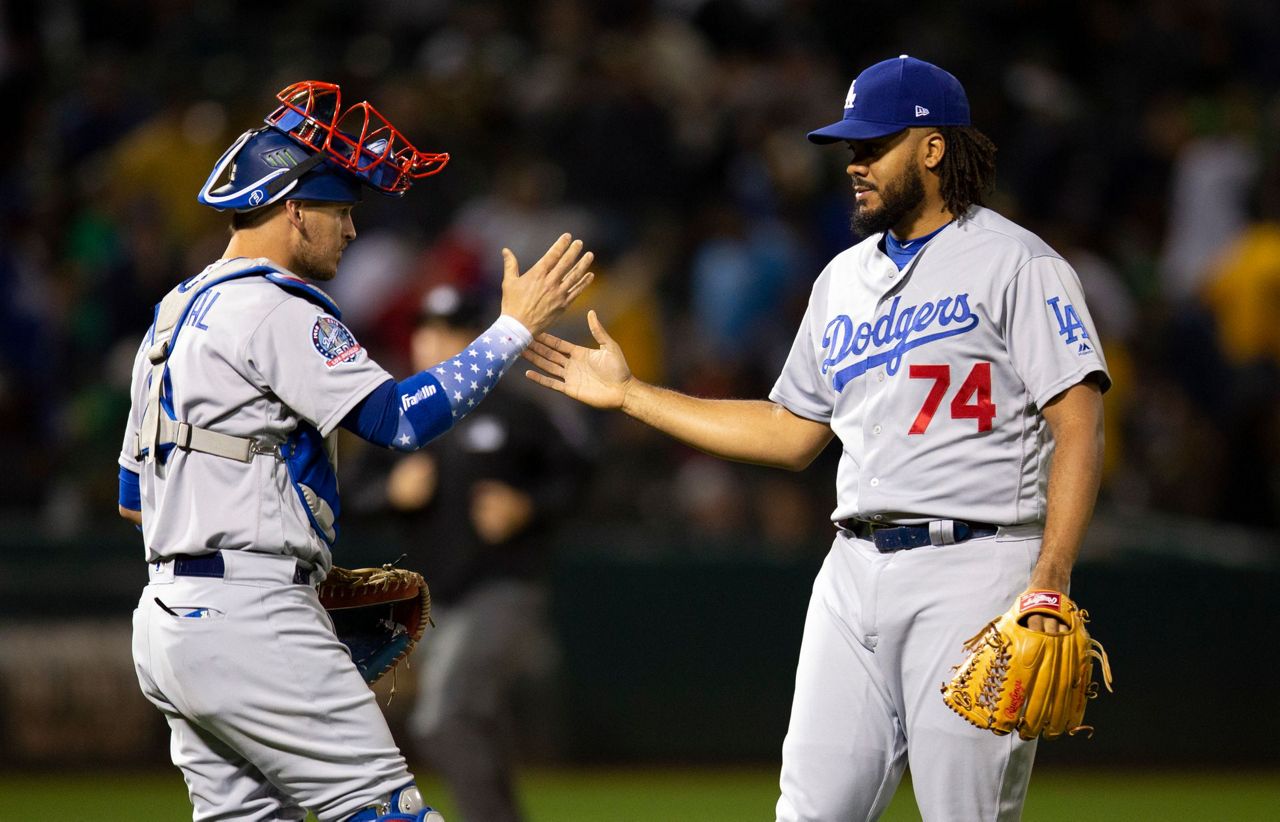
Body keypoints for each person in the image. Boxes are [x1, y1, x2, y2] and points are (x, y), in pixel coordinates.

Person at [524, 56, 1110, 821]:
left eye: (873, 146)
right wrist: (633, 397)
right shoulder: (841, 278)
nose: (855, 165)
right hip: (851, 569)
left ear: (933, 148)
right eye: (850, 150)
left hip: (976, 567)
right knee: (808, 811)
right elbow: (792, 431)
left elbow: (1079, 419)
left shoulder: (1018, 263)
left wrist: (1050, 578)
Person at [115, 80, 594, 822]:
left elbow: (132, 499)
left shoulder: (174, 313)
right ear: (294, 208)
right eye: (340, 210)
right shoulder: (274, 305)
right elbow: (398, 420)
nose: (352, 230)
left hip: (168, 622)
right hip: (249, 615)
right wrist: (512, 329)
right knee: (388, 813)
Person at [374, 283, 592, 822]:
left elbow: (579, 479)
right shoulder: (404, 414)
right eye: (426, 329)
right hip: (434, 603)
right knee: (478, 724)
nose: (433, 341)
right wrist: (388, 492)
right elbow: (351, 491)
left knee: (442, 719)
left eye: (448, 330)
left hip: (503, 589)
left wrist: (529, 506)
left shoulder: (518, 410)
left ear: (474, 339)